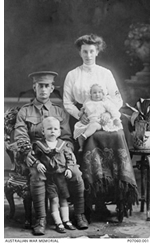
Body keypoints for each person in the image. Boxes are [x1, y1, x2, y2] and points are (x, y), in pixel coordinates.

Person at [63, 33, 138, 219]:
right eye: (84, 51)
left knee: (118, 137)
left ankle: (115, 194)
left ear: (97, 52)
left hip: (106, 118)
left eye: (91, 51)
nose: (88, 55)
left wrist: (107, 113)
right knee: (88, 141)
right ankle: (89, 199)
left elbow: (117, 98)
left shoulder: (105, 73)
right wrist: (80, 114)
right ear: (80, 53)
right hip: (83, 119)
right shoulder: (73, 75)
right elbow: (67, 102)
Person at [14, 71, 88, 236]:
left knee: (76, 173)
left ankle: (79, 214)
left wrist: (68, 162)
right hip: (36, 157)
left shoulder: (59, 112)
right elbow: (21, 138)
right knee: (37, 174)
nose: (43, 89)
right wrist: (31, 159)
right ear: (34, 87)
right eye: (40, 86)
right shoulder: (24, 112)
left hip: (60, 157)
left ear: (52, 88)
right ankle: (40, 219)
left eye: (47, 86)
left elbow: (68, 139)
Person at [32, 117, 77, 234]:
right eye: (49, 129)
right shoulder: (39, 145)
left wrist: (69, 169)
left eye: (55, 129)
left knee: (64, 200)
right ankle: (58, 223)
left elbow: (69, 158)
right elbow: (34, 157)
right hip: (50, 178)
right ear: (43, 131)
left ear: (59, 132)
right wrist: (37, 163)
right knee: (54, 200)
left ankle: (66, 221)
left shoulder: (63, 145)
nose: (52, 131)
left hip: (61, 177)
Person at [74, 83, 122, 151]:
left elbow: (113, 111)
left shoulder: (104, 103)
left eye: (99, 92)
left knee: (94, 125)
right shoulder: (88, 103)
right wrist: (81, 113)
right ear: (90, 94)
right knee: (79, 127)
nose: (97, 94)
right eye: (94, 92)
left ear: (103, 93)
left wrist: (116, 119)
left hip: (100, 122)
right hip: (89, 122)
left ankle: (83, 136)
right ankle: (82, 146)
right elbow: (83, 110)